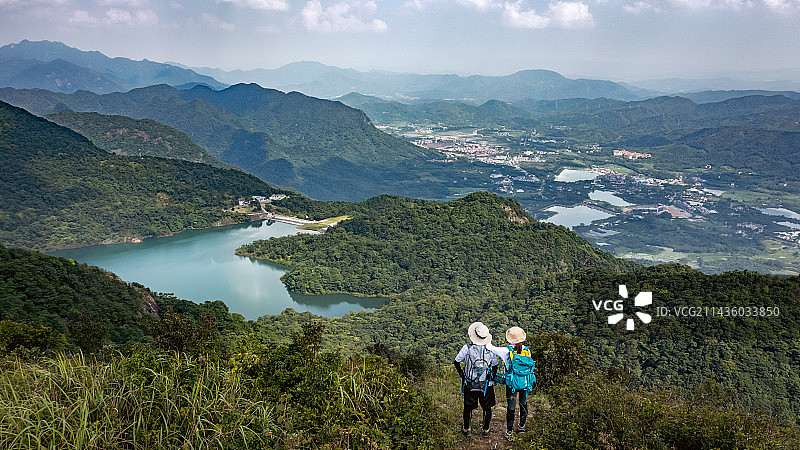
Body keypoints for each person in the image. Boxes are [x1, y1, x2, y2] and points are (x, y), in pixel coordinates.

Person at [454, 321, 498, 437]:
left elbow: (456, 361)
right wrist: (491, 378)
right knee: (487, 407)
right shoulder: (491, 349)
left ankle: (467, 429)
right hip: (486, 384)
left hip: (470, 383)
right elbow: (495, 365)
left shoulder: (467, 348)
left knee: (468, 407)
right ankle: (485, 430)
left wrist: (462, 374)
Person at [486, 326, 530, 440]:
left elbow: (490, 347)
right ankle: (521, 427)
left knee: (511, 407)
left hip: (512, 384)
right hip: (525, 382)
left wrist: (488, 337)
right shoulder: (527, 350)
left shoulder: (506, 351)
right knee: (523, 404)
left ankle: (509, 431)